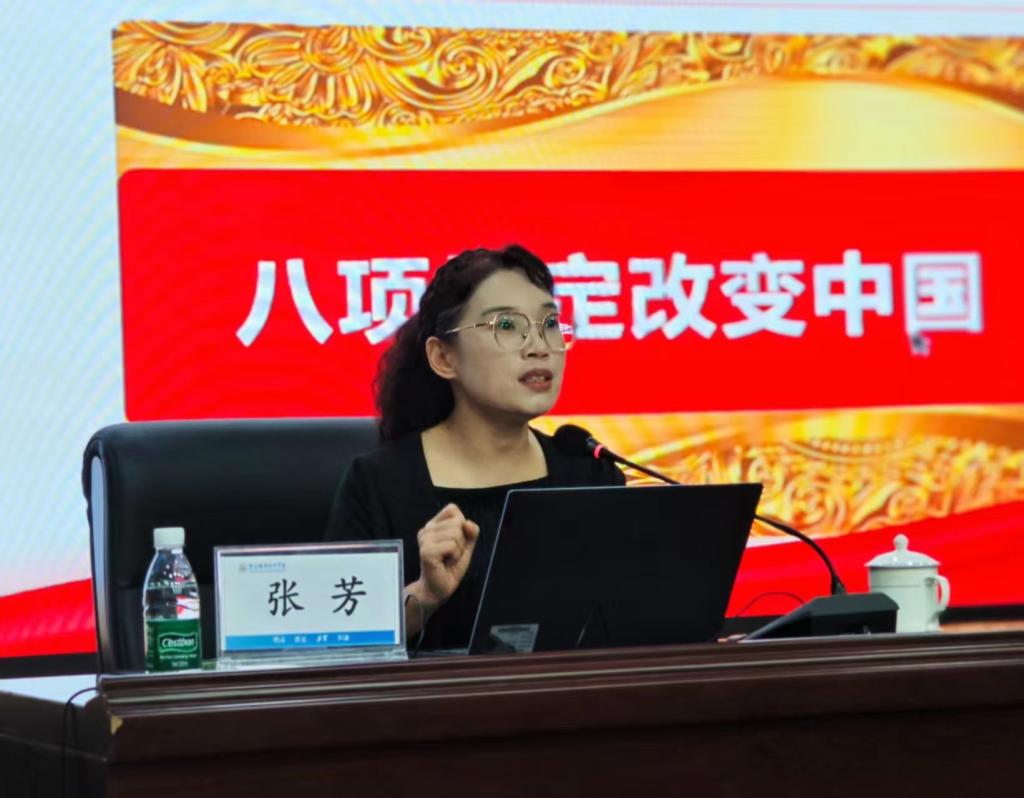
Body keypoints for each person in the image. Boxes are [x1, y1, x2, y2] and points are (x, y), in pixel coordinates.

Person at [324, 245, 625, 651]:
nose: (539, 346)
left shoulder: (590, 474)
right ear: (444, 358)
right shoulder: (380, 484)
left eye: (550, 323)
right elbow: (335, 639)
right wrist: (424, 596)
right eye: (506, 325)